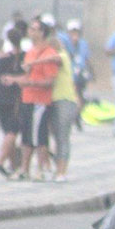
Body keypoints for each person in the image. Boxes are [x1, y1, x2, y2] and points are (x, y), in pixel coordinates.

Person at [3, 18, 58, 181]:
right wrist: (14, 79)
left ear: (42, 33)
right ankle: (24, 169)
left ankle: (41, 169)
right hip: (27, 99)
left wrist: (30, 83)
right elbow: (27, 75)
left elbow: (50, 81)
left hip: (40, 102)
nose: (30, 32)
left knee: (39, 138)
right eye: (31, 29)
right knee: (26, 137)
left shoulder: (49, 54)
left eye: (35, 29)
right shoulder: (31, 52)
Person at [24, 37, 79, 182]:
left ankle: (62, 171)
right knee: (48, 137)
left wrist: (33, 62)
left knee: (62, 137)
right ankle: (50, 166)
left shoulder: (63, 56)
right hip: (50, 100)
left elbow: (52, 59)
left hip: (65, 100)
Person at [0, 27, 25, 177]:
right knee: (11, 133)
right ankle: (1, 162)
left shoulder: (0, 61)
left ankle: (13, 166)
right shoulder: (25, 58)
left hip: (0, 99)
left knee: (7, 132)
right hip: (16, 101)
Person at [60, 19, 92, 130]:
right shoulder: (65, 43)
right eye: (72, 32)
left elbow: (86, 59)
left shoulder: (83, 44)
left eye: (76, 32)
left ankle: (76, 116)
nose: (74, 34)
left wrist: (90, 72)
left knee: (81, 100)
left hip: (80, 75)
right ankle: (71, 119)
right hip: (70, 75)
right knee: (75, 98)